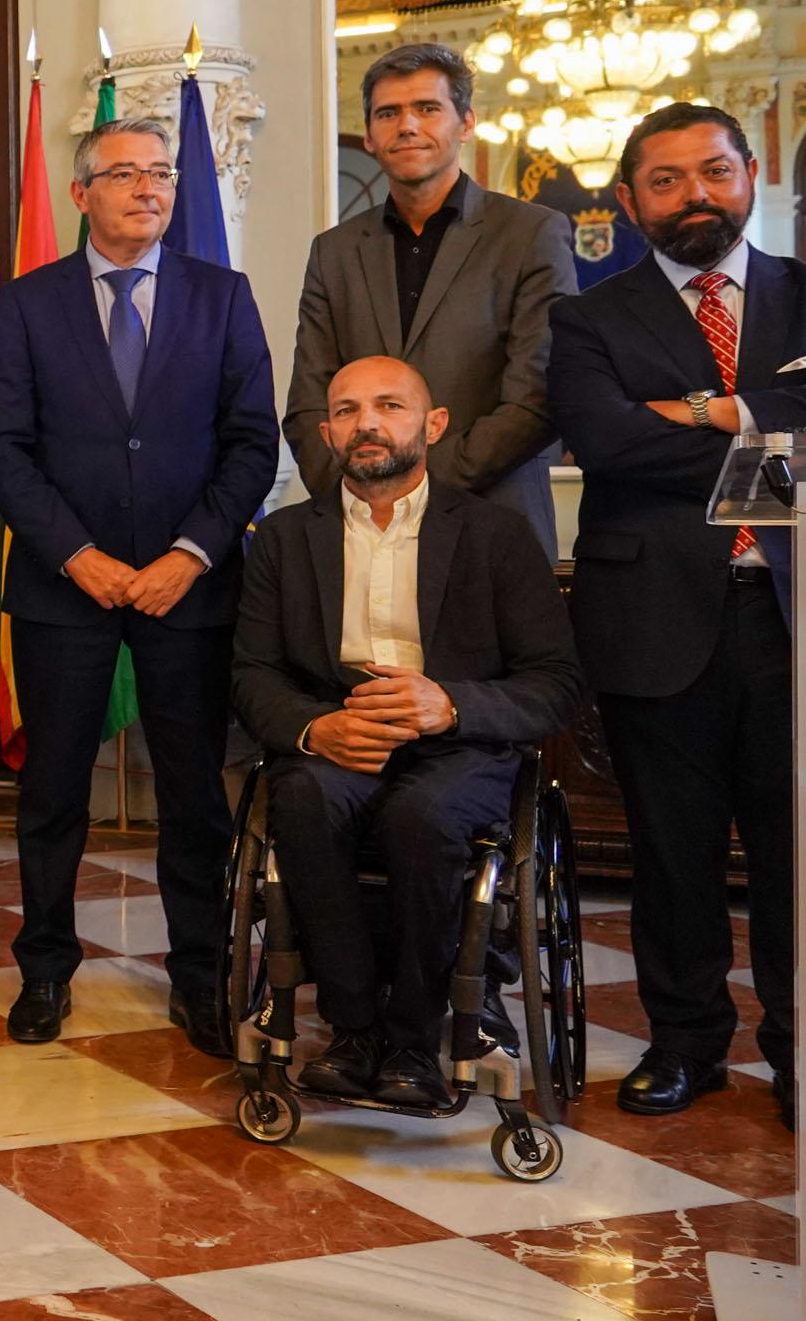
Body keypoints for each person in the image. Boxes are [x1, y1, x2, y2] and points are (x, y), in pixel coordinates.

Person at [550, 102, 806, 1128]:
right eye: (666, 179)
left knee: (801, 855)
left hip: (805, 615)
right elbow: (607, 445)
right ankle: (686, 1043)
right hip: (654, 618)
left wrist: (707, 409)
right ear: (630, 200)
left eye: (714, 171)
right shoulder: (588, 318)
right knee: (673, 852)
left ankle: (802, 1053)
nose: (694, 193)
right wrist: (793, 415)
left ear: (751, 174)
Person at [0, 117, 278, 1051]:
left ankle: (199, 978)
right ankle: (44, 971)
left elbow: (251, 442)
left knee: (192, 795)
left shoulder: (222, 297)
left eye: (162, 174)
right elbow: (6, 452)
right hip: (64, 589)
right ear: (81, 194)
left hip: (188, 589)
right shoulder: (28, 304)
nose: (149, 189)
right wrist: (81, 556)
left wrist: (188, 553)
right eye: (125, 175)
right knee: (54, 793)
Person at [235, 356, 582, 1105]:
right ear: (326, 432)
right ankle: (353, 1028)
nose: (368, 423)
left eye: (390, 406)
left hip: (456, 743)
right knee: (302, 802)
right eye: (348, 409)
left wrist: (451, 706)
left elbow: (556, 683)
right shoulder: (285, 539)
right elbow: (251, 676)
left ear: (433, 425)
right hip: (340, 733)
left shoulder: (497, 535)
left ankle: (417, 1037)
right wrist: (314, 729)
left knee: (420, 815)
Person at [286, 43, 574, 557]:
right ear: (370, 137)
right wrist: (360, 493)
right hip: (358, 531)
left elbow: (537, 397)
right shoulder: (333, 251)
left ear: (465, 123)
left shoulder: (530, 234)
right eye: (388, 113)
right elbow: (309, 403)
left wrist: (410, 489)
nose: (407, 126)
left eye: (427, 108)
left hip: (494, 527)